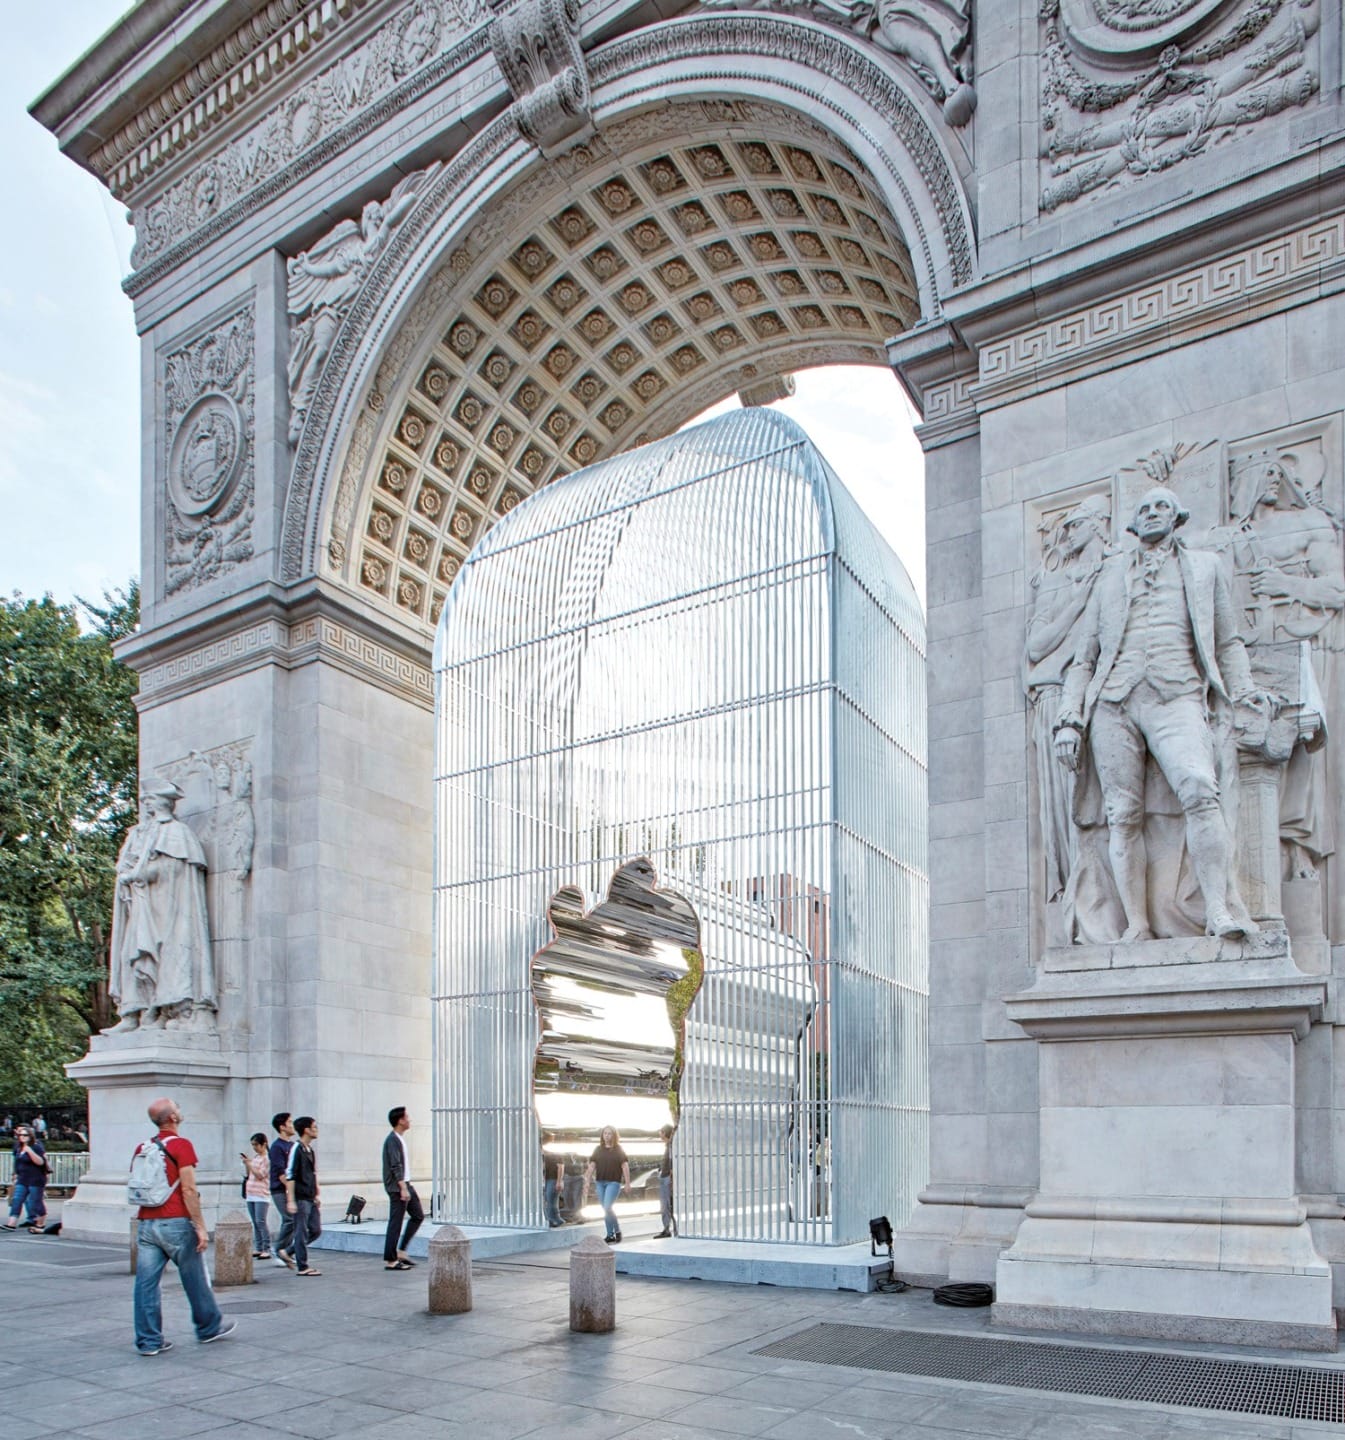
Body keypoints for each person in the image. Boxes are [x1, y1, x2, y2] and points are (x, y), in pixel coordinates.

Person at [1056, 486, 1270, 940]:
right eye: (1144, 509)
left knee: (1199, 789)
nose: (1153, 514)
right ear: (1132, 524)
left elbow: (1227, 641)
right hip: (1114, 703)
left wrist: (1245, 687)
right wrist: (1069, 719)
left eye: (1162, 507)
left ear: (1177, 518)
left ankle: (1217, 911)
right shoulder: (1110, 577)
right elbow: (1085, 658)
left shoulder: (1206, 568)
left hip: (1178, 696)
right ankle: (1136, 924)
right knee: (1121, 813)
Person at [131, 1097, 237, 1355]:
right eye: (177, 1107)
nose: (180, 1109)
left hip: (146, 1221)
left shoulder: (142, 1147)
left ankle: (149, 1341)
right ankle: (208, 1327)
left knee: (145, 1284)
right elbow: (189, 1189)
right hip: (176, 1222)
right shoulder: (181, 1146)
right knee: (195, 1278)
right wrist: (199, 1225)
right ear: (173, 1118)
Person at [107, 780, 215, 1033]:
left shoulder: (177, 832)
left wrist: (141, 873)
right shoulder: (139, 832)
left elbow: (173, 871)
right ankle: (133, 1013)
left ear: (162, 802)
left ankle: (163, 1011)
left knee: (164, 955)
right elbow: (126, 862)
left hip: (167, 910)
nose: (145, 804)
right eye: (144, 800)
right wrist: (128, 873)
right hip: (140, 906)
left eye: (149, 800)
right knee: (131, 956)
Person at [381, 1106, 423, 1270]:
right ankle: (391, 1260)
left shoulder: (399, 1138)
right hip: (398, 1187)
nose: (410, 1120)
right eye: (407, 1117)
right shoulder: (392, 1140)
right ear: (400, 1120)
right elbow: (395, 1165)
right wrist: (402, 1188)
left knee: (418, 1215)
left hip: (406, 1184)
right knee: (395, 1223)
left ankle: (401, 1251)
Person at [282, 1116, 322, 1276]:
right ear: (306, 1130)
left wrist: (316, 1193)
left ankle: (289, 1251)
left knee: (316, 1230)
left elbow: (312, 1173)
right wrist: (291, 1200)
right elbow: (290, 1175)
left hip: (310, 1196)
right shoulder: (296, 1149)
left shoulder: (309, 1150)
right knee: (301, 1231)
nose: (316, 1129)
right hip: (300, 1197)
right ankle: (303, 1266)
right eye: (314, 1127)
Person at [585, 1126, 629, 1243]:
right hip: (600, 1182)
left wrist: (628, 1183)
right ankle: (610, 1235)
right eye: (605, 1133)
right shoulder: (598, 1149)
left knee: (608, 1207)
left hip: (613, 1182)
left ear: (614, 1135)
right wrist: (587, 1181)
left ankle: (617, 1231)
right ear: (602, 1135)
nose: (607, 1136)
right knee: (605, 1209)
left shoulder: (618, 1149)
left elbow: (624, 1166)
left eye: (609, 1134)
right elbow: (592, 1166)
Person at [4, 1125, 48, 1231]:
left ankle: (41, 1221)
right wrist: (15, 1173)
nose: (22, 1137)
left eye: (25, 1135)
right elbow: (17, 1162)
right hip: (22, 1178)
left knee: (35, 1201)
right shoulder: (19, 1148)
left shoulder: (36, 1146)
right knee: (17, 1199)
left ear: (30, 1136)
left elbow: (41, 1162)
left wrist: (29, 1151)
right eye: (20, 1135)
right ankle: (11, 1223)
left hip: (36, 1179)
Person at [268, 1112, 297, 1269]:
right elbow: (281, 1173)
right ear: (282, 1127)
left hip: (291, 1189)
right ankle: (278, 1249)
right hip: (280, 1189)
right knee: (289, 1219)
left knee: (293, 1220)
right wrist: (290, 1191)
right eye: (290, 1122)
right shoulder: (277, 1147)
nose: (292, 1125)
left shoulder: (292, 1146)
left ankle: (286, 1252)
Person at [241, 1132, 272, 1258]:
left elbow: (260, 1175)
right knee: (255, 1221)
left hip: (261, 1193)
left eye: (256, 1145)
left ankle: (267, 1248)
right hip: (251, 1192)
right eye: (252, 1145)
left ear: (263, 1144)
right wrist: (247, 1164)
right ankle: (259, 1247)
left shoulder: (267, 1159)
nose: (254, 1147)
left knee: (261, 1221)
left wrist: (249, 1165)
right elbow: (250, 1175)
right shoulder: (256, 1157)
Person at [652, 1123, 677, 1238]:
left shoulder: (671, 1146)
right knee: (667, 1204)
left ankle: (668, 1229)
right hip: (664, 1177)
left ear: (665, 1133)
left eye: (661, 1132)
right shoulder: (668, 1145)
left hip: (667, 1178)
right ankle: (669, 1228)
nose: (659, 1134)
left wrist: (671, 1180)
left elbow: (672, 1163)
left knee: (667, 1204)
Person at [541, 1132, 564, 1228]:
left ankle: (551, 1220)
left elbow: (560, 1167)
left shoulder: (555, 1152)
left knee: (551, 1200)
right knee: (550, 1199)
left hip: (553, 1178)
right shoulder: (544, 1152)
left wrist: (559, 1181)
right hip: (547, 1178)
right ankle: (557, 1219)